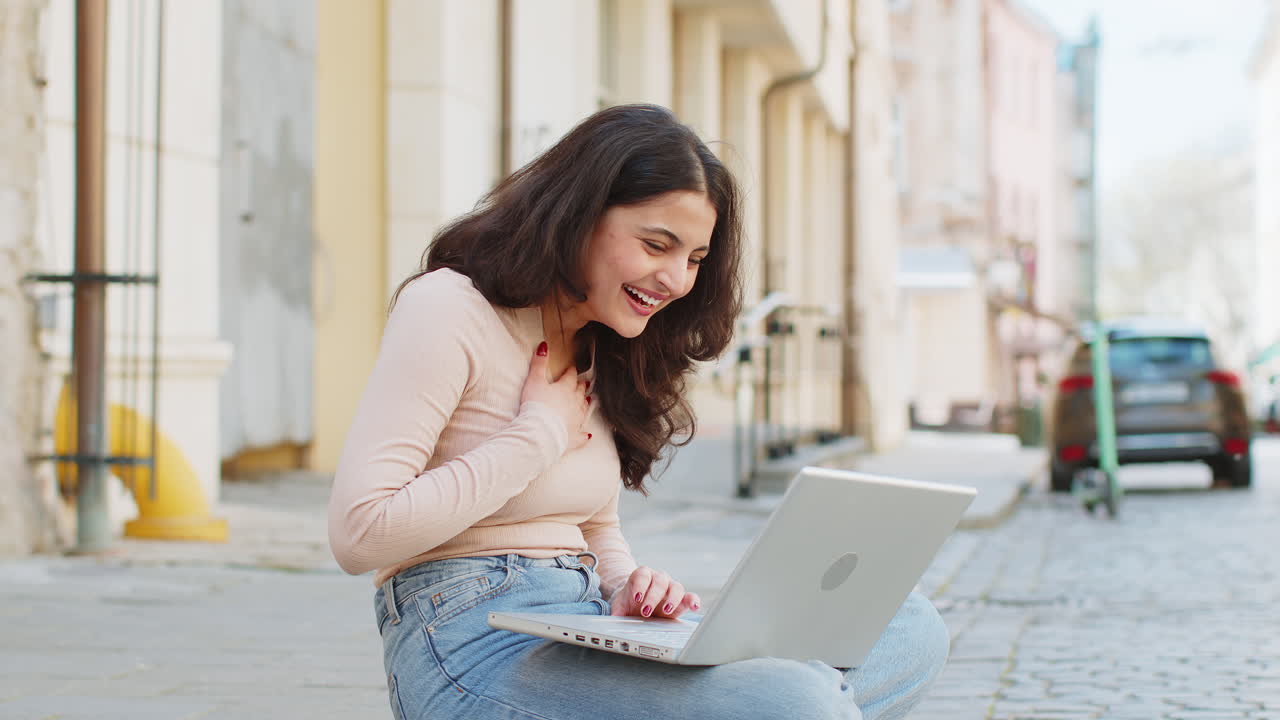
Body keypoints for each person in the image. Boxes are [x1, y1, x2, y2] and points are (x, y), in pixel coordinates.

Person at [327, 104, 949, 720]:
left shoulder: (605, 342)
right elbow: (359, 534)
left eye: (696, 259)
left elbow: (592, 527)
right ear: (578, 216)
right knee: (797, 699)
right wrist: (536, 435)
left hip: (581, 626)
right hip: (466, 647)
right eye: (657, 244)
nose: (677, 279)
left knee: (908, 626)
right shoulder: (451, 308)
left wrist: (628, 588)